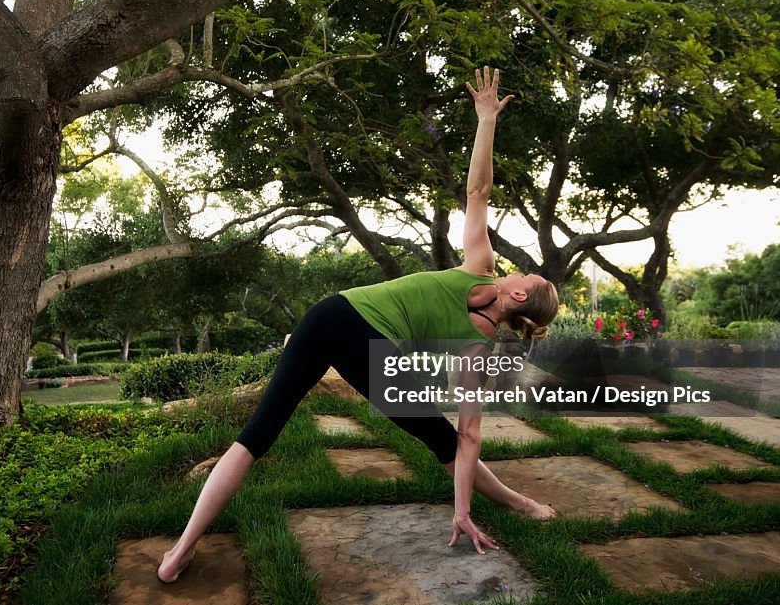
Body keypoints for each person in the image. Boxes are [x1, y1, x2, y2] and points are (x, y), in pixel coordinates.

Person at [158, 67, 560, 584]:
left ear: (519, 293)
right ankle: (520, 503)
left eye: (526, 273)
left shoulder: (480, 271)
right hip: (365, 345)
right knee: (440, 438)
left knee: (256, 435)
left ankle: (178, 552)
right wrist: (460, 509)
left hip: (331, 312)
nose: (518, 267)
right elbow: (469, 436)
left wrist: (485, 121)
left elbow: (478, 191)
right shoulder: (480, 341)